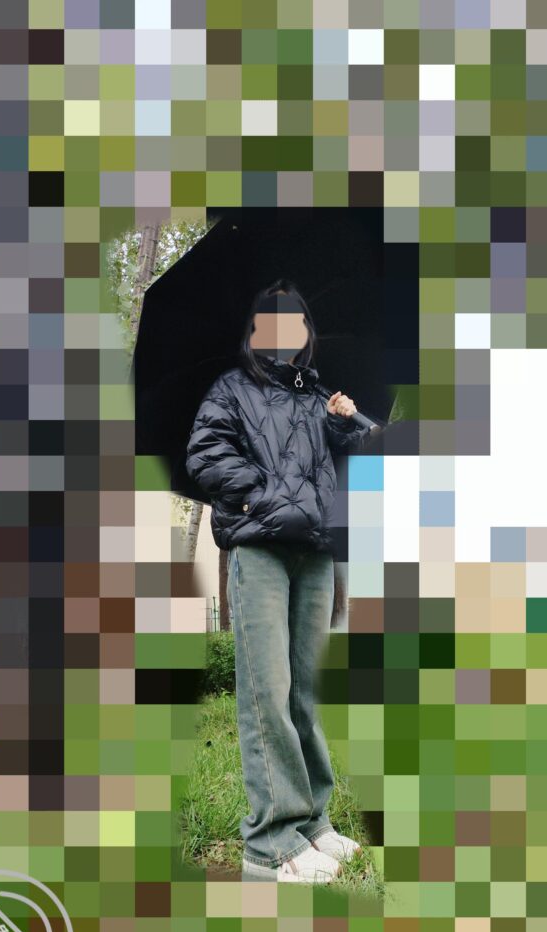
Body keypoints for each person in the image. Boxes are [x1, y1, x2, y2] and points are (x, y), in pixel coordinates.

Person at [185, 279, 376, 884]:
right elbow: (205, 455)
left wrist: (346, 426)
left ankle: (312, 821)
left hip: (315, 553)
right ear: (255, 331)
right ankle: (270, 842)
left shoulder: (320, 397)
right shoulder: (231, 389)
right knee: (268, 690)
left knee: (305, 693)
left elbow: (347, 466)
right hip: (261, 550)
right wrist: (266, 496)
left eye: (295, 321)